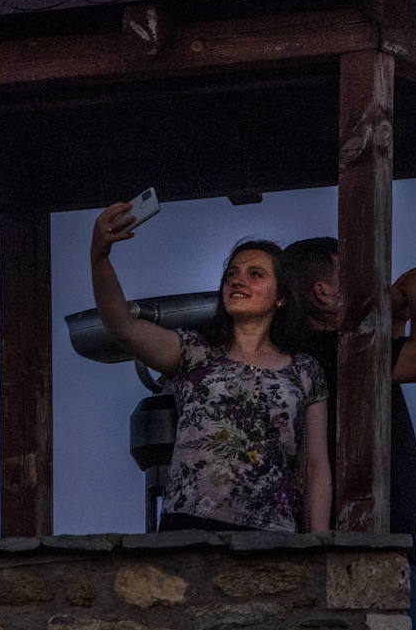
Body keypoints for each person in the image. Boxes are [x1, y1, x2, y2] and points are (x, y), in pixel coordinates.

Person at [90, 201, 331, 532]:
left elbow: (315, 467)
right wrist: (99, 256)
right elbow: (122, 326)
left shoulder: (305, 370)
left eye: (255, 274)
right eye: (231, 273)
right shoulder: (194, 352)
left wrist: (318, 548)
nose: (237, 280)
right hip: (190, 529)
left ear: (281, 297)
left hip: (271, 536)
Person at [283, 238, 416, 630]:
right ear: (324, 292)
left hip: (381, 547)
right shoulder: (339, 349)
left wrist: (395, 314)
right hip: (370, 550)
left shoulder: (317, 351)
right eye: (355, 276)